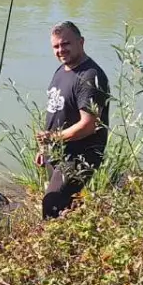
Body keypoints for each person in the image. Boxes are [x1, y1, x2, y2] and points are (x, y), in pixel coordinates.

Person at [37, 20, 110, 219]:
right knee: (66, 206)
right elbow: (55, 110)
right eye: (56, 46)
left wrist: (54, 138)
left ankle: (50, 245)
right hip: (59, 151)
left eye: (66, 43)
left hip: (80, 156)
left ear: (81, 42)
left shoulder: (90, 77)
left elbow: (89, 125)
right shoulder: (63, 70)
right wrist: (44, 148)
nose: (61, 50)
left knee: (51, 203)